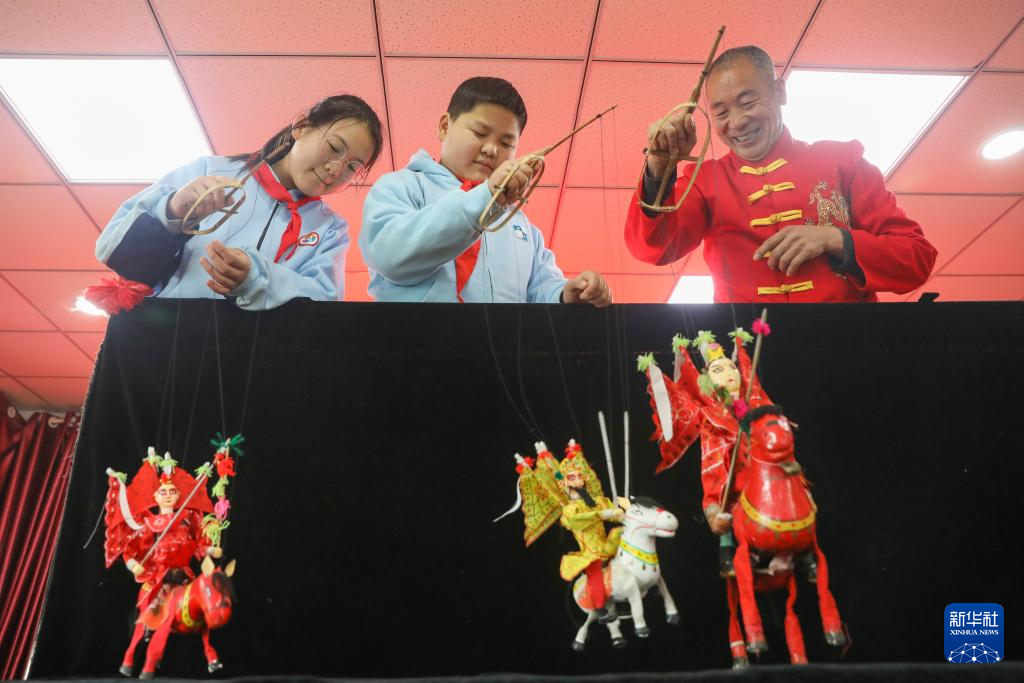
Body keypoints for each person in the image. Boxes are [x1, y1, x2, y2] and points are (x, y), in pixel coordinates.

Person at [625, 46, 937, 302]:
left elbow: (917, 259)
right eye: (721, 112)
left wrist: (835, 239)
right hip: (749, 355)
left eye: (748, 102)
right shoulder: (705, 181)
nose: (737, 122)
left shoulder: (842, 161)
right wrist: (658, 169)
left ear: (779, 92)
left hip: (847, 346)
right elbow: (652, 248)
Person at [96, 95, 383, 310]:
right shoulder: (210, 170)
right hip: (169, 344)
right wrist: (173, 210)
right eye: (334, 147)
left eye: (352, 167)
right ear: (301, 127)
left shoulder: (329, 229)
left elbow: (324, 307)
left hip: (252, 361)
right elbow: (114, 250)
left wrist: (257, 279)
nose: (335, 168)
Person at [360, 77, 611, 305]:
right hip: (413, 340)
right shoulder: (400, 186)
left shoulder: (520, 224)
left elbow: (541, 290)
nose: (491, 150)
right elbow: (389, 256)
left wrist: (566, 295)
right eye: (480, 133)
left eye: (506, 143)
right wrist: (485, 198)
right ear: (445, 126)